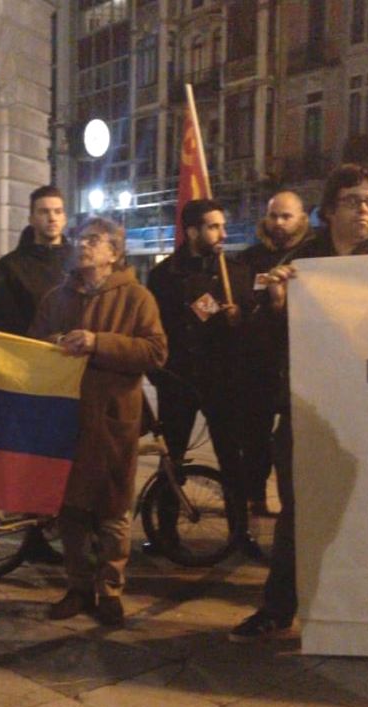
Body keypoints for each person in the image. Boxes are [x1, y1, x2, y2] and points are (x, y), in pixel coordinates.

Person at [229, 162, 368, 643]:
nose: (365, 210)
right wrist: (280, 302)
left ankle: (362, 610)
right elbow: (262, 340)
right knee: (297, 513)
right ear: (329, 209)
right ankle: (279, 608)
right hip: (307, 410)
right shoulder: (302, 263)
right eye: (354, 200)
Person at [31, 217, 167, 626]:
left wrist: (98, 343)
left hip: (113, 418)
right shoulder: (57, 297)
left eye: (93, 240)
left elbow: (155, 351)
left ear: (114, 252)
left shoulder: (137, 297)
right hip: (68, 417)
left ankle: (110, 589)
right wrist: (54, 344)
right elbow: (33, 343)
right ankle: (77, 586)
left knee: (112, 509)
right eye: (80, 239)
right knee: (70, 507)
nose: (83, 246)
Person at [147, 198, 258, 558]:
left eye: (223, 226)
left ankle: (240, 532)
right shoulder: (163, 275)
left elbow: (252, 328)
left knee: (232, 457)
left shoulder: (237, 273)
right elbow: (158, 328)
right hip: (179, 382)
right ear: (192, 231)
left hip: (222, 382)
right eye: (213, 227)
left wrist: (239, 318)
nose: (223, 234)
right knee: (172, 459)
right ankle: (164, 532)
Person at [236, 191, 313, 519]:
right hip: (258, 365)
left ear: (302, 219)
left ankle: (298, 502)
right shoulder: (248, 259)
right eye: (274, 216)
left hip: (303, 363)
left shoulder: (314, 256)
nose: (279, 223)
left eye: (287, 216)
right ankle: (255, 497)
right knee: (255, 436)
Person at [0, 185, 72, 335]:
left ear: (64, 218)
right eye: (44, 212)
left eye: (58, 212)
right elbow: (3, 321)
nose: (52, 218)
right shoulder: (10, 266)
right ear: (31, 219)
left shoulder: (79, 262)